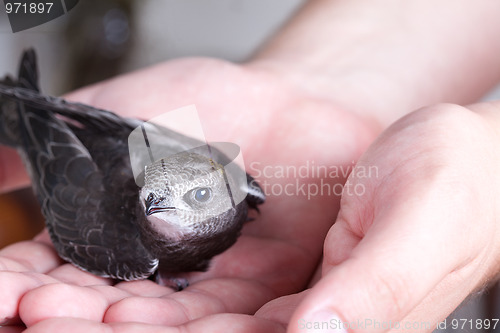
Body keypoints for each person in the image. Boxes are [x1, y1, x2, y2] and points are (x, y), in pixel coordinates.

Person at [2, 0, 500, 332]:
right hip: (75, 146)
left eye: (196, 195)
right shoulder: (129, 246)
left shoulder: (241, 194)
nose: (155, 202)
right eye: (154, 189)